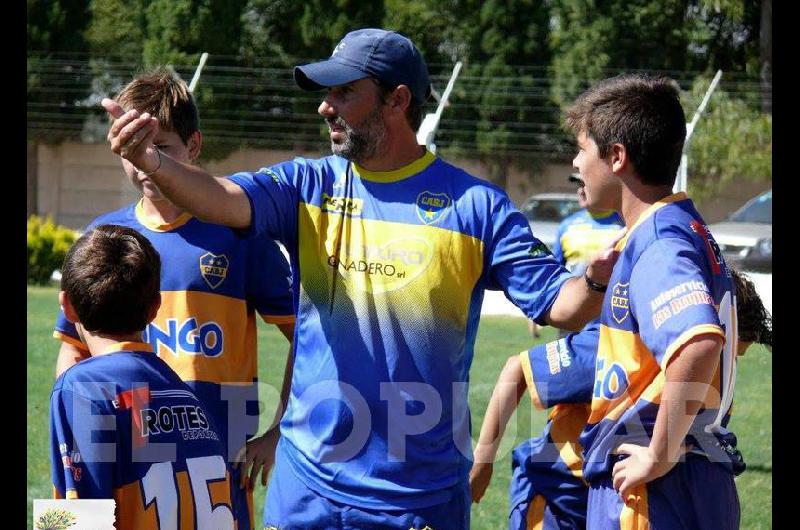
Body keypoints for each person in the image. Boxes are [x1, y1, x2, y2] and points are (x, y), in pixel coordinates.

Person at [100, 28, 616, 529]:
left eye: (345, 93)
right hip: (307, 488)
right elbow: (222, 199)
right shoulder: (308, 185)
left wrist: (595, 279)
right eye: (327, 94)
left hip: (417, 498)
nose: (326, 107)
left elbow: (563, 306)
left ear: (396, 100)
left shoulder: (476, 208)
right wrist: (152, 161)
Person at [52, 68, 295, 530]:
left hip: (219, 470)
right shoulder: (105, 239)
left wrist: (280, 430)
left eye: (161, 147)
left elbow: (307, 335)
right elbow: (72, 347)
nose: (145, 162)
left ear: (194, 146)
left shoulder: (239, 234)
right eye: (135, 147)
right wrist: (77, 418)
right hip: (126, 460)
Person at [469, 267, 771, 529]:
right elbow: (517, 370)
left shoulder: (696, 377)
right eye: (728, 353)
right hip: (554, 494)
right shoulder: (618, 349)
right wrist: (483, 463)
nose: (725, 367)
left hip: (606, 499)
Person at [568, 73, 739, 528]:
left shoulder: (661, 240)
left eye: (583, 150)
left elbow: (699, 343)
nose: (576, 163)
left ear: (617, 157)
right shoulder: (684, 226)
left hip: (655, 490)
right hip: (688, 476)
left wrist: (658, 455)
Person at [50, 225, 239, 528]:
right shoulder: (188, 396)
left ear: (67, 307)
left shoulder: (81, 388)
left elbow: (79, 519)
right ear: (155, 308)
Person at [529, 173, 624, 339]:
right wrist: (535, 311)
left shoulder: (623, 225)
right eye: (578, 185)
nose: (580, 191)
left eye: (585, 184)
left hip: (612, 324)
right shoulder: (567, 226)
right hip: (572, 322)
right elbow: (552, 274)